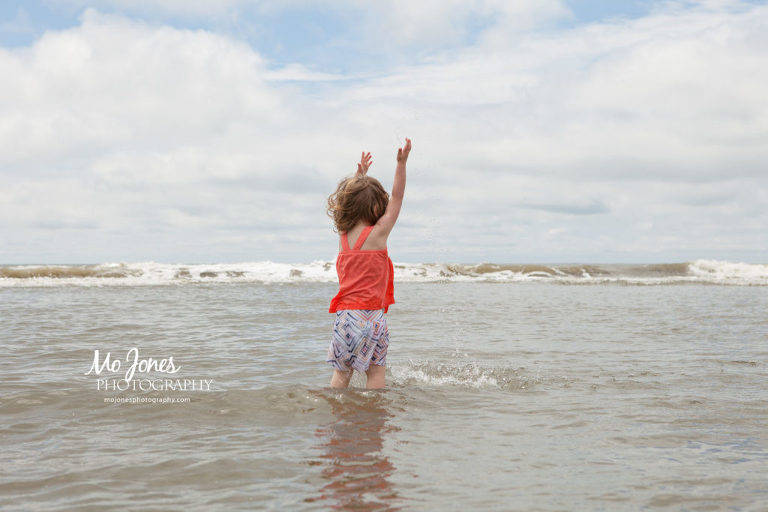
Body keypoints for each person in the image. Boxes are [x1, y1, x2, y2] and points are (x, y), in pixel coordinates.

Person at [325, 138, 412, 389]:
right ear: (376, 206)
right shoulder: (378, 234)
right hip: (371, 317)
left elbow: (345, 200)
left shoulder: (343, 237)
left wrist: (359, 175)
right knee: (375, 374)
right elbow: (397, 197)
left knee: (341, 375)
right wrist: (401, 164)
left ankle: (336, 411)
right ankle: (374, 415)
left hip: (344, 318)